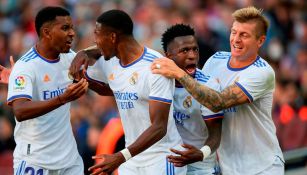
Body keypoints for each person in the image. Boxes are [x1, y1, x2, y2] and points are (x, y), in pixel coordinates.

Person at [151, 6, 284, 175]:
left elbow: (217, 102)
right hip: (228, 167)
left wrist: (178, 73)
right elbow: (200, 97)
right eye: (234, 32)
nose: (236, 39)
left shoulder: (261, 72)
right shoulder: (216, 60)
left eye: (244, 35)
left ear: (260, 40)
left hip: (262, 166)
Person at [69, 9, 186, 175]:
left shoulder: (156, 67)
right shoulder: (109, 61)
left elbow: (159, 127)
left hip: (162, 158)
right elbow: (112, 90)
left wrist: (120, 157)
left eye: (97, 35)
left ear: (113, 37)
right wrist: (83, 55)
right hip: (132, 160)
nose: (95, 41)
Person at [6, 6, 89, 175]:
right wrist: (62, 99)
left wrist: (88, 57)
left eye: (72, 27)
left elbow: (94, 76)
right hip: (35, 161)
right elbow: (20, 111)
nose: (72, 33)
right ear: (47, 32)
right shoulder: (26, 67)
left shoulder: (70, 58)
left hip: (69, 161)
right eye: (65, 28)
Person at [161, 24, 223, 175]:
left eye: (195, 49)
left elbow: (216, 133)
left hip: (201, 165)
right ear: (169, 56)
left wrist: (202, 153)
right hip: (167, 164)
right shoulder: (159, 82)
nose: (192, 55)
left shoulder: (208, 85)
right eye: (184, 50)